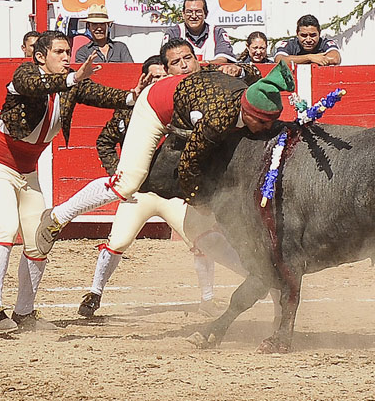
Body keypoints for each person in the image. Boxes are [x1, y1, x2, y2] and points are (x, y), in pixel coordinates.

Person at [35, 38, 295, 260]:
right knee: (127, 183)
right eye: (260, 122)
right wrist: (201, 199)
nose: (263, 128)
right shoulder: (215, 121)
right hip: (155, 107)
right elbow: (190, 164)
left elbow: (254, 77)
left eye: (188, 58)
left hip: (190, 119)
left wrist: (240, 68)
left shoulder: (217, 77)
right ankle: (59, 215)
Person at [0, 30, 148, 331]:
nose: (66, 57)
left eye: (68, 51)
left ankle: (24, 313)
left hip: (28, 172)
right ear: (41, 56)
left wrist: (134, 95)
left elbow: (103, 95)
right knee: (5, 227)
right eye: (59, 52)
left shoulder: (70, 82)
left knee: (38, 239)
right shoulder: (27, 73)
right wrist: (72, 78)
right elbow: (32, 86)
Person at [80, 50, 250, 318]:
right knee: (119, 240)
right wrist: (118, 172)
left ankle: (209, 297)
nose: (158, 81)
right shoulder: (132, 111)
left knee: (201, 238)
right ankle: (95, 292)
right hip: (139, 192)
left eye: (162, 76)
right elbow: (104, 140)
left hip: (174, 190)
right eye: (154, 77)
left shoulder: (193, 98)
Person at [162, 0, 236, 63]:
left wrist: (203, 65)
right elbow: (166, 60)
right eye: (189, 12)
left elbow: (223, 59)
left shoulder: (217, 33)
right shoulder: (173, 33)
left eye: (198, 12)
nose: (193, 16)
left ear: (206, 14)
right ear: (183, 14)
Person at [274, 14, 341, 66]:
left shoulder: (325, 43)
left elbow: (335, 59)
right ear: (297, 34)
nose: (308, 40)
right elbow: (279, 60)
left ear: (319, 33)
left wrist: (296, 60)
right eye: (304, 35)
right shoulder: (290, 45)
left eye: (312, 35)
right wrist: (309, 57)